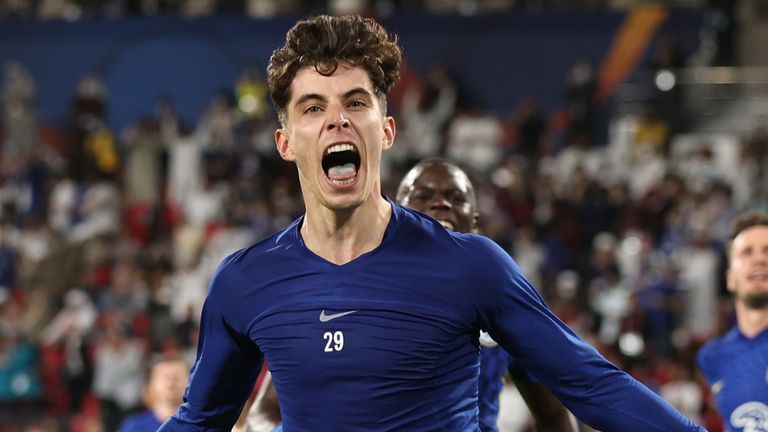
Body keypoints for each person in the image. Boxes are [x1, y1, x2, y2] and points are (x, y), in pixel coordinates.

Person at [158, 14, 705, 431]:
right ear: (285, 143)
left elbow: (592, 385)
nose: (337, 119)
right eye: (312, 107)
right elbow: (200, 422)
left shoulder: (471, 266)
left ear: (387, 130)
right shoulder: (244, 282)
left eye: (355, 101)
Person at [396, 158, 577, 431]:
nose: (441, 204)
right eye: (422, 196)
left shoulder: (502, 300)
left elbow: (554, 415)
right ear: (394, 214)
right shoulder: (360, 291)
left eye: (455, 198)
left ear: (475, 222)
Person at [697, 210, 768, 432]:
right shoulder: (712, 357)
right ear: (730, 279)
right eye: (747, 252)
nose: (759, 259)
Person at [118, 357, 189, 432]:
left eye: (177, 376)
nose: (171, 381)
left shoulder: (200, 425)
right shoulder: (133, 426)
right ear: (150, 385)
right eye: (164, 376)